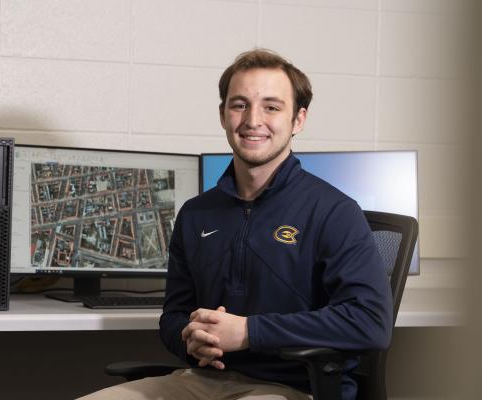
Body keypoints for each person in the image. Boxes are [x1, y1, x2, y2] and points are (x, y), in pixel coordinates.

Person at [78, 49, 393, 400]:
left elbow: (370, 323)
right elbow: (173, 316)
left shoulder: (334, 211)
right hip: (200, 379)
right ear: (223, 114)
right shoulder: (196, 213)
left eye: (272, 107)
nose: (252, 120)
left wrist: (248, 332)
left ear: (298, 120)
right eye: (239, 105)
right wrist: (191, 339)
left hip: (295, 387)